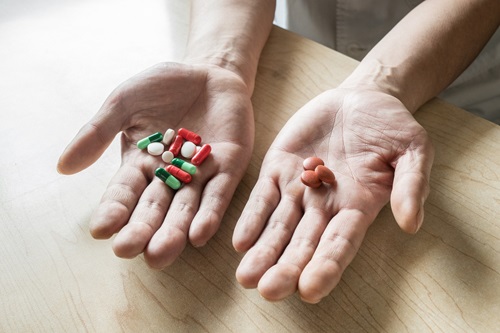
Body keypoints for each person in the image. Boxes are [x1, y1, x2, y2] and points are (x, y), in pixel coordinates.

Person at [57, 0, 500, 303]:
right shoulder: (178, 149)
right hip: (308, 50)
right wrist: (219, 60)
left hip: (456, 84)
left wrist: (379, 85)